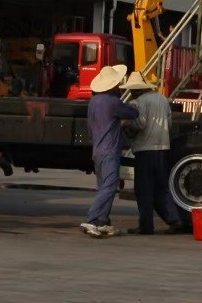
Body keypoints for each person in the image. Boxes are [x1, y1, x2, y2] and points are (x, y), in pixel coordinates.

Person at [121, 72, 187, 234]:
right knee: (161, 187)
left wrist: (127, 127)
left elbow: (140, 123)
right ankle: (174, 220)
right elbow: (169, 123)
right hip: (163, 148)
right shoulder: (162, 99)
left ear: (136, 90)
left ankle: (146, 226)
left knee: (144, 189)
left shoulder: (138, 102)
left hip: (145, 150)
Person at [80, 63, 137, 238]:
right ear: (112, 85)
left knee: (102, 186)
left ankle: (102, 221)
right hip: (110, 150)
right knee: (110, 187)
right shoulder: (113, 102)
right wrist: (135, 106)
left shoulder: (93, 102)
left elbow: (91, 127)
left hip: (97, 149)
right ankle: (92, 219)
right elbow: (132, 114)